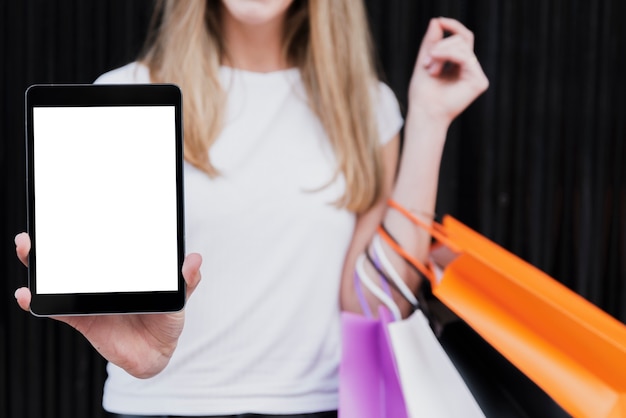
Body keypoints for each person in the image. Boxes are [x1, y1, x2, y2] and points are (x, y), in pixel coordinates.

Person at [14, 0, 488, 416]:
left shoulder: (366, 106)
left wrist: (429, 120)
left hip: (317, 405)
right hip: (160, 406)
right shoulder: (125, 94)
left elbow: (371, 304)